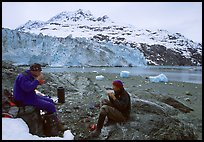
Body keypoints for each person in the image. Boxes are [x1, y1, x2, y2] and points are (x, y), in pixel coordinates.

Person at [13, 63, 65, 134]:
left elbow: (30, 87)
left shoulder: (28, 75)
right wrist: (37, 80)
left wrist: (38, 82)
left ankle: (51, 119)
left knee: (49, 100)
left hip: (29, 96)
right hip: (24, 99)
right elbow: (28, 88)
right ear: (35, 71)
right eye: (39, 71)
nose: (40, 73)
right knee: (50, 105)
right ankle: (54, 126)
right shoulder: (23, 77)